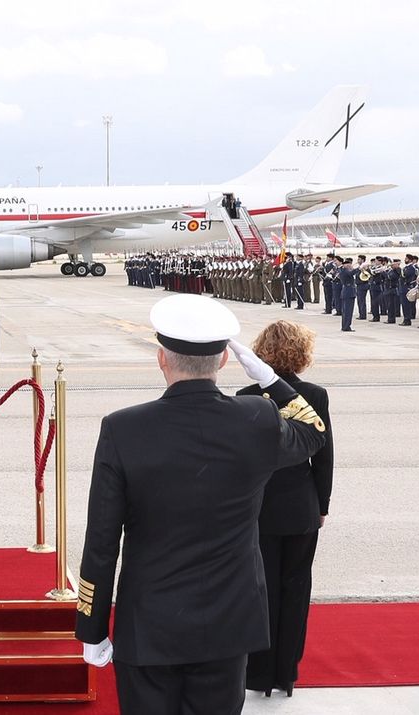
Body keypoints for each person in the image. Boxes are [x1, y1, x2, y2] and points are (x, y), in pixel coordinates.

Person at [74, 293, 326, 715]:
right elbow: (313, 430)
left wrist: (92, 626)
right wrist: (269, 379)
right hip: (228, 624)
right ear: (226, 361)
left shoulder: (123, 429)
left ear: (161, 359)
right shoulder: (257, 420)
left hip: (149, 623)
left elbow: (101, 540)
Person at [237, 320, 333, 698]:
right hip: (299, 506)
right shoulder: (314, 394)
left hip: (258, 507)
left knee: (261, 591)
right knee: (295, 588)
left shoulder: (245, 395)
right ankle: (286, 673)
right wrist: (321, 503)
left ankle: (258, 672)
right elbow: (323, 456)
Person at [338, 257, 357, 332]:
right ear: (345, 265)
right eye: (349, 265)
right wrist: (359, 268)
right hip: (348, 292)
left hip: (346, 291)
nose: (350, 266)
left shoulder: (343, 270)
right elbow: (351, 273)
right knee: (348, 311)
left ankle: (345, 326)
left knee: (346, 311)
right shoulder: (345, 271)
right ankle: (346, 326)